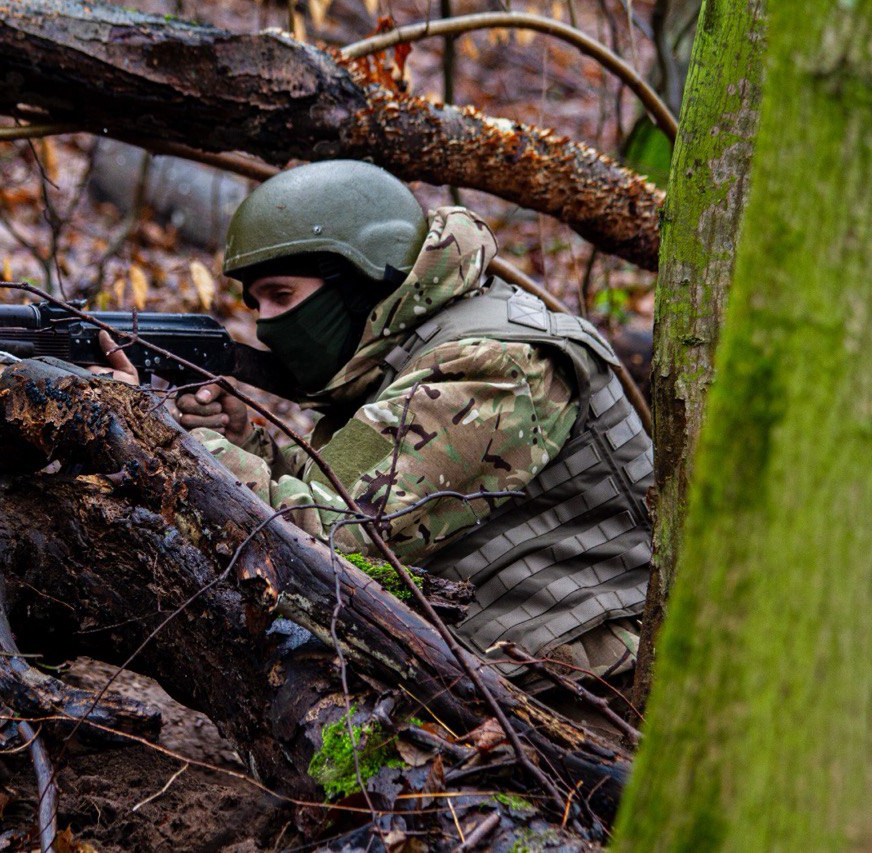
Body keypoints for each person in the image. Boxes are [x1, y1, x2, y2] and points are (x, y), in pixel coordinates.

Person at [97, 160, 652, 684]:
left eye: (281, 296)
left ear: (361, 280)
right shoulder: (415, 348)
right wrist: (249, 445)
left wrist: (155, 438)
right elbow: (347, 486)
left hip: (587, 683)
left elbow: (337, 548)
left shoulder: (492, 368)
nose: (266, 328)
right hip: (505, 661)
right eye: (256, 304)